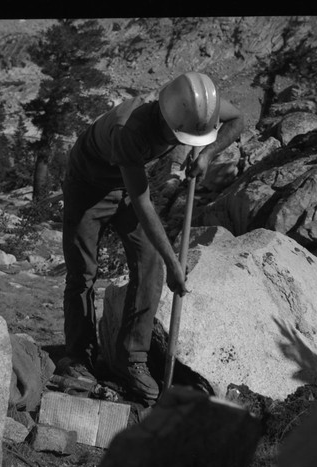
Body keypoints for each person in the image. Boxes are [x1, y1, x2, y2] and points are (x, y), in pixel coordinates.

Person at [61, 72, 244, 401]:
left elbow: (238, 121)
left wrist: (206, 154)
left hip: (126, 186)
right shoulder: (127, 129)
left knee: (149, 266)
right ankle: (78, 358)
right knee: (83, 273)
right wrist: (174, 261)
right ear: (166, 120)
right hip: (87, 185)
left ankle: (133, 360)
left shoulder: (195, 109)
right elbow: (144, 204)